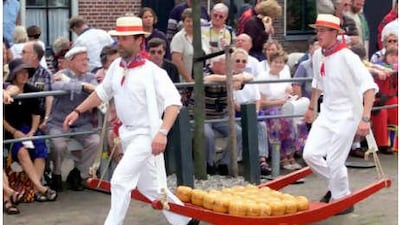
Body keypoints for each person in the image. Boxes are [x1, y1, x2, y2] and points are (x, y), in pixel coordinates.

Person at [62, 15, 199, 225]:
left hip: (147, 133)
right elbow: (102, 92)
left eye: (125, 38)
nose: (120, 43)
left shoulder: (154, 72)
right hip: (127, 134)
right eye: (119, 38)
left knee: (120, 180)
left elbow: (174, 103)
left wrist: (162, 133)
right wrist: (78, 111)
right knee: (148, 186)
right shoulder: (116, 66)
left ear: (139, 40)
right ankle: (186, 220)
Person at [303, 14, 378, 214]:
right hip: (327, 112)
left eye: (323, 30)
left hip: (348, 114)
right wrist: (311, 107)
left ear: (336, 33)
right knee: (309, 154)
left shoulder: (348, 57)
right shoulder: (318, 54)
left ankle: (340, 199)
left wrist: (365, 119)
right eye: (317, 30)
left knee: (336, 161)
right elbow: (317, 83)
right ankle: (340, 191)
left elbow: (369, 87)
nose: (318, 34)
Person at [3, 58, 58, 202]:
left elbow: (36, 114)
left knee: (40, 148)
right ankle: (41, 188)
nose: (24, 75)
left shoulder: (32, 90)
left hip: (28, 129)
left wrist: (32, 132)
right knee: (21, 151)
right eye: (20, 72)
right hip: (9, 131)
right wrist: (15, 132)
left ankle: (35, 190)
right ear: (13, 75)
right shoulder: (6, 89)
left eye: (26, 72)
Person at [47, 46, 100, 192]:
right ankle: (56, 173)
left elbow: (97, 90)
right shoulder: (60, 74)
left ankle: (78, 173)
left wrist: (78, 84)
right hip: (58, 122)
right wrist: (82, 86)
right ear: (71, 62)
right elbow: (56, 86)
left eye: (87, 59)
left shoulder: (91, 77)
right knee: (59, 146)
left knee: (95, 142)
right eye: (82, 60)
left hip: (82, 123)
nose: (85, 63)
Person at [21, 41, 53, 131]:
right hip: (20, 117)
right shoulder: (18, 72)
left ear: (34, 56)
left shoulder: (45, 74)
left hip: (38, 117)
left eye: (24, 52)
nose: (20, 55)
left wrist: (46, 119)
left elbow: (49, 97)